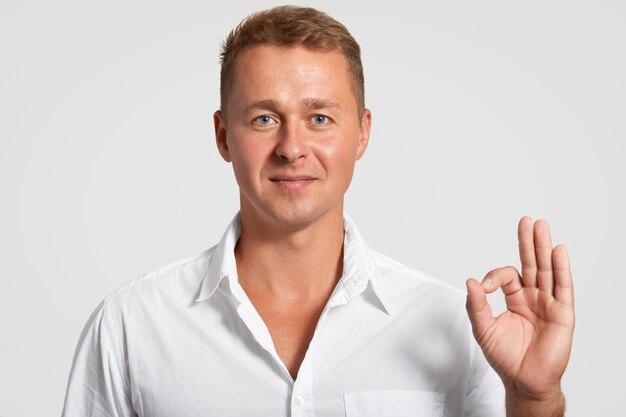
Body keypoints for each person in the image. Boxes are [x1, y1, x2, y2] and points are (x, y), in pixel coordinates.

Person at [61, 6, 574, 417]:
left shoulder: (457, 327)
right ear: (223, 136)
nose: (291, 147)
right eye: (264, 118)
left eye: (320, 117)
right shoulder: (131, 325)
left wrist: (534, 401)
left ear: (363, 133)